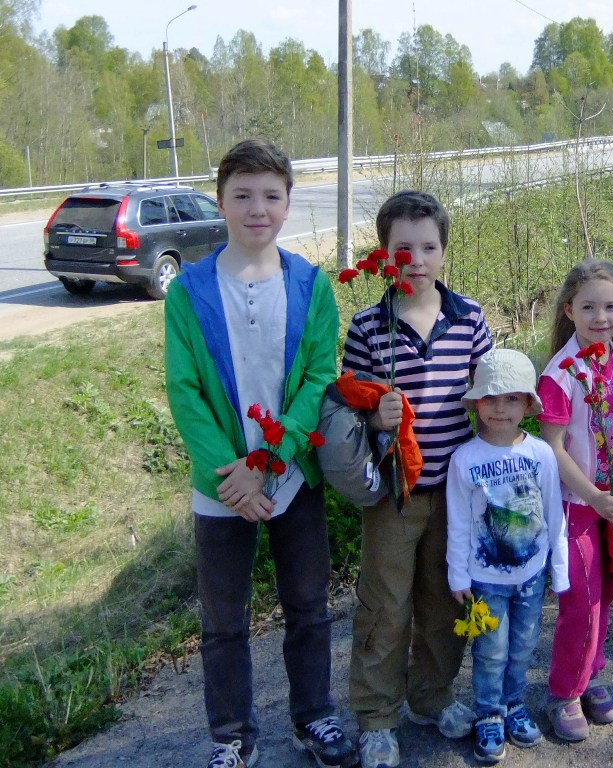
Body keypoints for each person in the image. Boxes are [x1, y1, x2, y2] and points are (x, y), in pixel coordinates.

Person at [165, 138, 357, 768]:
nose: (257, 208)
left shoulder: (312, 286)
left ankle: (314, 717)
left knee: (308, 607)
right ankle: (231, 737)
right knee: (224, 620)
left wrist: (267, 464)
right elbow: (184, 390)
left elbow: (317, 379)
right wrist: (233, 473)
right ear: (220, 202)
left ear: (288, 203)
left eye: (271, 196)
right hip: (221, 483)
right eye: (242, 195)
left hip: (292, 476)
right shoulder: (188, 292)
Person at [341, 190, 494, 768]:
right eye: (403, 249)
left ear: (444, 252)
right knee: (385, 605)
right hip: (394, 493)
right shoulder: (367, 326)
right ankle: (377, 716)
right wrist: (374, 418)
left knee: (444, 599)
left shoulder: (469, 318)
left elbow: (488, 395)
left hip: (456, 493)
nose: (417, 260)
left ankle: (432, 696)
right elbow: (349, 409)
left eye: (429, 247)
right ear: (384, 254)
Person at [537, 259, 613, 742]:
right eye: (588, 307)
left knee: (605, 592)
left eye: (610, 307)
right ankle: (563, 692)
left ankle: (589, 675)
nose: (600, 317)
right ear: (569, 310)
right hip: (577, 504)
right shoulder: (561, 374)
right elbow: (553, 447)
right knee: (580, 600)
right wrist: (591, 495)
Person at [446, 348, 570, 764]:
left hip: (531, 575)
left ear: (528, 405)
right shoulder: (465, 459)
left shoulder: (541, 454)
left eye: (512, 399)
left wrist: (559, 570)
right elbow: (458, 522)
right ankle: (488, 713)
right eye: (490, 398)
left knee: (522, 646)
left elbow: (553, 515)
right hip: (486, 580)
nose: (500, 409)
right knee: (490, 650)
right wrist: (457, 575)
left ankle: (514, 704)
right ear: (477, 403)